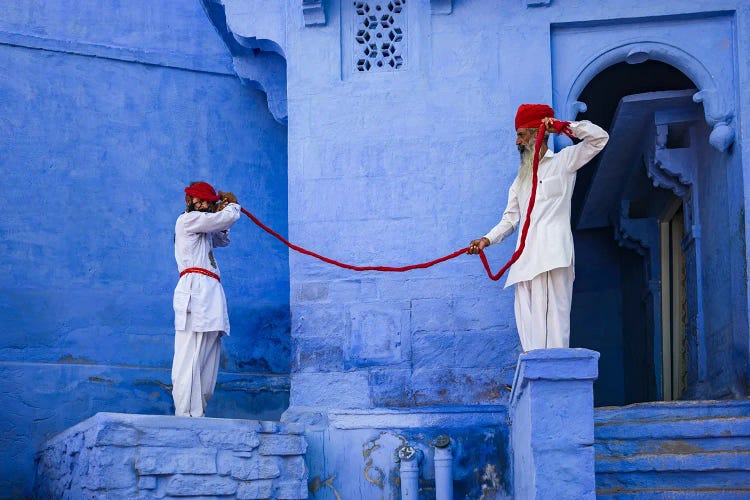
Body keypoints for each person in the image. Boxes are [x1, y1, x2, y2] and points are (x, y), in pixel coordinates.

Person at [468, 104, 609, 351]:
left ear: (537, 133)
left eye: (522, 134)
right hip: (525, 261)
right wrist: (486, 240)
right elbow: (510, 219)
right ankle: (535, 381)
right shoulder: (519, 181)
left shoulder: (564, 162)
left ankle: (556, 381)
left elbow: (599, 139)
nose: (517, 142)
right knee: (528, 327)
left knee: (555, 324)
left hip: (554, 256)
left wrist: (563, 127)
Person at [172, 181, 240, 417]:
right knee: (189, 354)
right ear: (190, 201)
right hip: (195, 289)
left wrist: (222, 210)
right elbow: (225, 220)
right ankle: (185, 413)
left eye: (208, 202)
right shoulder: (187, 220)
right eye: (200, 200)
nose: (203, 205)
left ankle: (198, 410)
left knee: (209, 354)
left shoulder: (204, 227)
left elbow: (223, 238)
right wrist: (232, 207)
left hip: (210, 290)